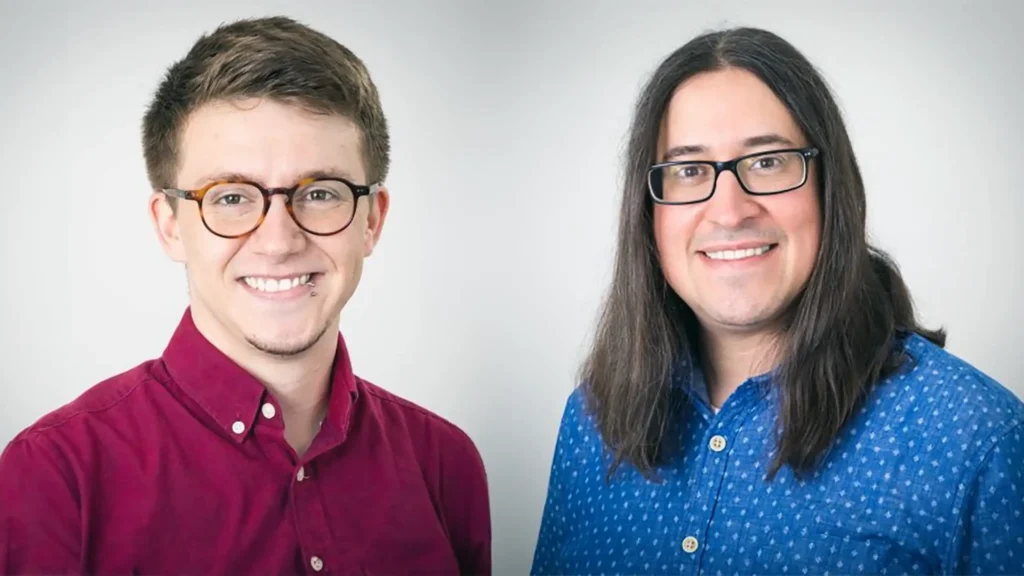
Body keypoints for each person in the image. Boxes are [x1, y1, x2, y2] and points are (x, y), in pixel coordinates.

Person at [0, 16, 490, 575]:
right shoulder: (57, 476)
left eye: (321, 193)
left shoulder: (446, 467)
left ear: (372, 221)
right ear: (170, 225)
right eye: (231, 197)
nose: (279, 241)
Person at [531, 26, 1023, 575]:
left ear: (829, 188)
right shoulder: (592, 421)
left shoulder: (972, 437)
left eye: (767, 162)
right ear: (649, 214)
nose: (730, 210)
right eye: (689, 170)